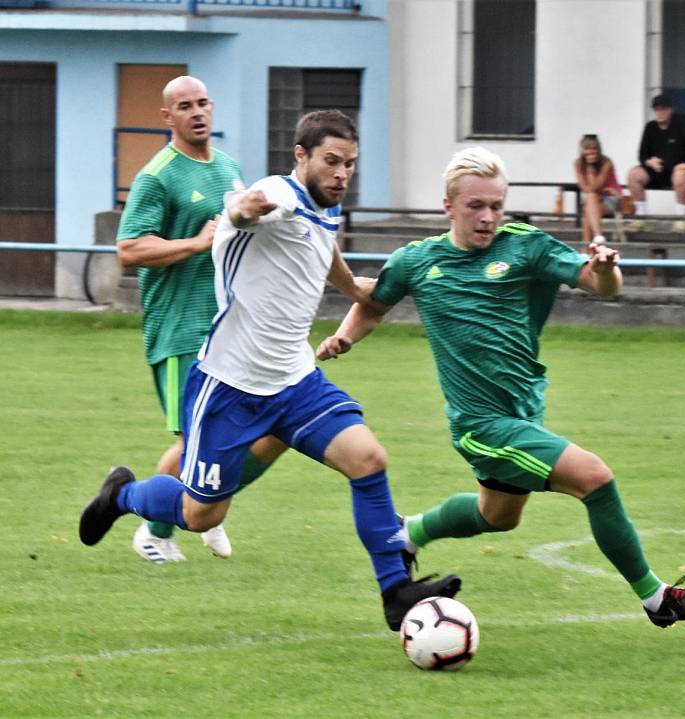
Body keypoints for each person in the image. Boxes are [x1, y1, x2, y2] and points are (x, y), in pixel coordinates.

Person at [81, 109, 461, 631]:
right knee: (200, 516)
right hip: (230, 386)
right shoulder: (277, 196)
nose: (342, 173)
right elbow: (245, 210)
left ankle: (395, 590)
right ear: (301, 156)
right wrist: (240, 209)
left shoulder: (325, 207)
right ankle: (122, 495)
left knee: (368, 459)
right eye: (331, 160)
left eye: (350, 163)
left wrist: (353, 290)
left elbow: (321, 243)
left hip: (295, 382)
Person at [317, 146, 685, 629]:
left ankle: (408, 533)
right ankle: (658, 599)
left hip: (524, 413)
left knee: (499, 516)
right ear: (448, 206)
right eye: (475, 206)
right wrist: (344, 336)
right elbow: (375, 303)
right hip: (482, 427)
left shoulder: (526, 246)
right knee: (595, 478)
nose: (488, 218)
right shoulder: (417, 262)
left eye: (496, 206)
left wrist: (607, 267)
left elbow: (600, 285)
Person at [116, 75, 285, 564]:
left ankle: (209, 505)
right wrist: (194, 242)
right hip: (180, 329)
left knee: (262, 431)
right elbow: (129, 249)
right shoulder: (159, 175)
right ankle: (153, 531)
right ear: (167, 117)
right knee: (193, 439)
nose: (197, 112)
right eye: (185, 106)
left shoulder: (229, 168)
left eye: (203, 103)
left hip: (230, 329)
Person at [627, 94, 685, 233]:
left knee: (681, 174)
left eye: (663, 109)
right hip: (658, 171)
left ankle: (681, 219)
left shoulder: (683, 123)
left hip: (680, 171)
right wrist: (649, 162)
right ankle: (640, 217)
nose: (660, 113)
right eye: (657, 109)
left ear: (671, 110)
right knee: (634, 174)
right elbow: (642, 154)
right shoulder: (650, 127)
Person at [573, 134, 624, 246]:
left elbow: (595, 186)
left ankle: (586, 249)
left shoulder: (606, 162)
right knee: (590, 204)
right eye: (588, 149)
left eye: (594, 149)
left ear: (598, 149)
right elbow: (585, 188)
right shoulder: (578, 163)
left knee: (589, 209)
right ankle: (598, 236)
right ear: (583, 151)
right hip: (594, 199)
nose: (591, 152)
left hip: (611, 199)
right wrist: (589, 169)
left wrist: (590, 170)